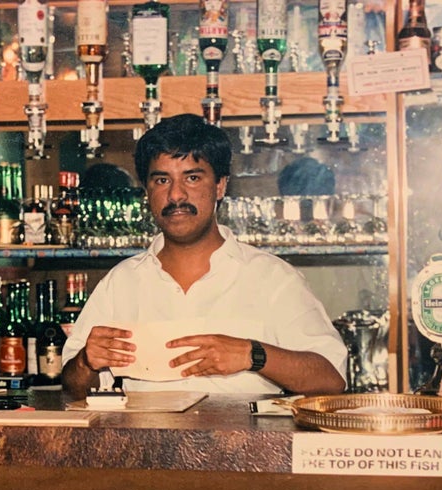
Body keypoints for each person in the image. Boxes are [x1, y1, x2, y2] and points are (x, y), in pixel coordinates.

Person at [61, 114, 347, 399]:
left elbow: (331, 379)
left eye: (193, 178)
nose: (176, 195)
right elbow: (73, 387)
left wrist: (253, 354)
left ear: (220, 186)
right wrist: (86, 361)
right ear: (147, 191)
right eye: (162, 180)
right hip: (144, 442)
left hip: (243, 442)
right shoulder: (121, 282)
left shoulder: (272, 277)